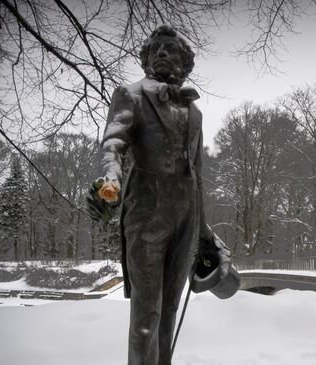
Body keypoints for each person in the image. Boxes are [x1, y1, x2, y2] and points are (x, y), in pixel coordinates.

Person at [90, 24, 215, 365]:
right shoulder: (130, 95)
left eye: (170, 49)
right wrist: (110, 178)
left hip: (185, 216)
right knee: (147, 313)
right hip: (146, 212)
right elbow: (113, 143)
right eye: (156, 48)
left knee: (169, 310)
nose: (162, 53)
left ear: (185, 63)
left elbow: (198, 173)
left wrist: (205, 231)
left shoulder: (195, 111)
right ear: (145, 58)